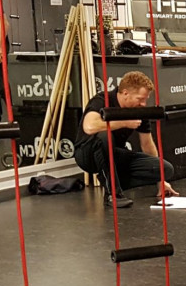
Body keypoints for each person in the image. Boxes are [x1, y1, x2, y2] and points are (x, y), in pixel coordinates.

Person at [74, 70, 177, 209]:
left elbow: (147, 144)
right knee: (104, 136)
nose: (143, 104)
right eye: (140, 99)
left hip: (115, 154)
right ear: (125, 93)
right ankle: (113, 194)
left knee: (165, 169)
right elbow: (90, 127)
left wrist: (160, 181)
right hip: (88, 154)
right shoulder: (102, 100)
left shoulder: (139, 110)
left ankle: (111, 181)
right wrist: (124, 123)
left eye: (145, 99)